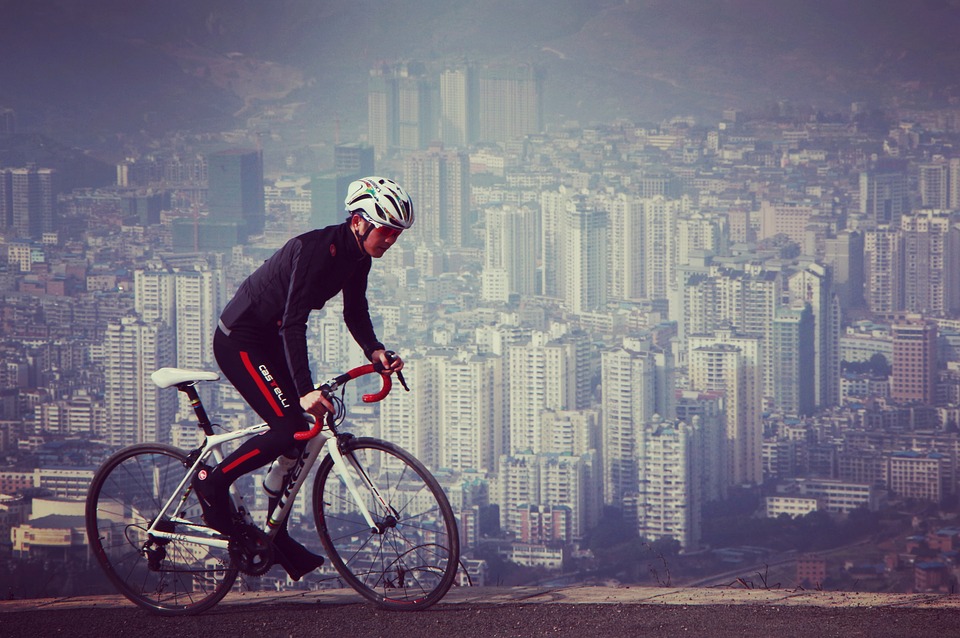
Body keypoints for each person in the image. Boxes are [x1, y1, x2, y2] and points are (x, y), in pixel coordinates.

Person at [193, 176, 413, 580]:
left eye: (396, 234)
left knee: (303, 431)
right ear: (359, 222)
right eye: (386, 231)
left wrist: (375, 350)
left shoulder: (358, 258)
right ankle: (212, 480)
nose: (390, 241)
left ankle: (273, 531)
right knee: (288, 428)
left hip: (270, 337)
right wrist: (305, 390)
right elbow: (294, 323)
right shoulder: (316, 251)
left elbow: (355, 311)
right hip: (241, 338)